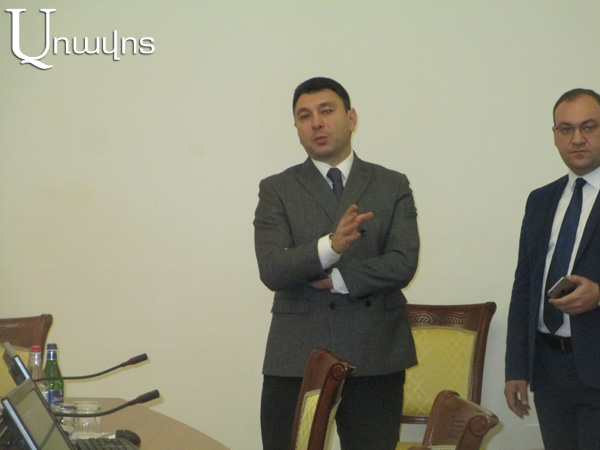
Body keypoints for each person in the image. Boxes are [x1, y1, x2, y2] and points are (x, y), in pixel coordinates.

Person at [254, 77, 419, 450]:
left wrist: (339, 278)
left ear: (351, 118)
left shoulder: (391, 184)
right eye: (304, 116)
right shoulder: (276, 189)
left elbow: (403, 262)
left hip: (375, 350)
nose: (316, 123)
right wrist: (329, 247)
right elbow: (273, 268)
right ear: (297, 128)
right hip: (296, 353)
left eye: (326, 111)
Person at [505, 88, 600, 450]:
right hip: (548, 370)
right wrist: (517, 368)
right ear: (555, 135)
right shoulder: (541, 200)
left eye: (588, 127)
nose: (577, 139)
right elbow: (524, 286)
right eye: (566, 129)